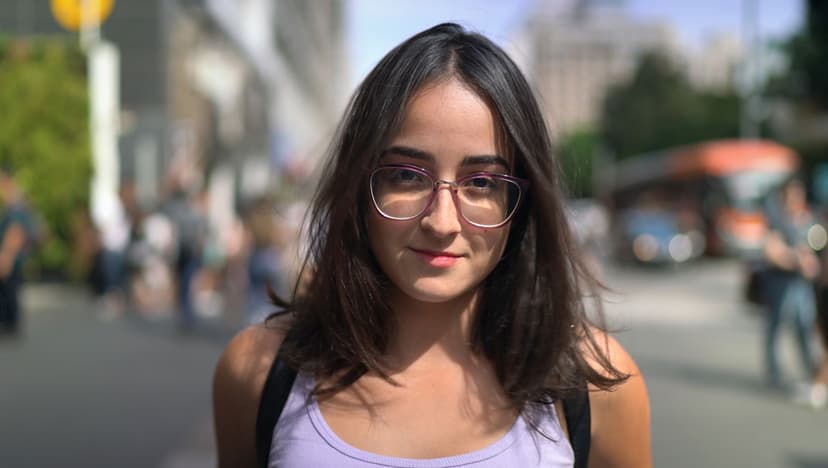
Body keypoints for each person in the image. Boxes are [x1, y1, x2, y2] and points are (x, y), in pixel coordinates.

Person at [213, 23, 651, 468]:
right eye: (406, 175)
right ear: (360, 186)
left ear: (522, 205)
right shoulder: (258, 370)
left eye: (481, 182)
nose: (442, 222)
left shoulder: (592, 385)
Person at [761, 178, 821, 391]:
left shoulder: (807, 220)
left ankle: (813, 372)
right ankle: (774, 373)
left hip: (801, 286)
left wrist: (810, 263)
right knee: (776, 328)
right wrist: (796, 260)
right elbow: (771, 252)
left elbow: (814, 248)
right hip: (780, 283)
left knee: (804, 328)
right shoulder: (777, 220)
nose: (794, 199)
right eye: (790, 194)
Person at [0, 165, 35, 336]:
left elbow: (14, 232)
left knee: (9, 291)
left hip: (11, 256)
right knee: (10, 290)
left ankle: (10, 324)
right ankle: (9, 323)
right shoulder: (16, 203)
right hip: (14, 256)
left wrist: (6, 256)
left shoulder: (14, 204)